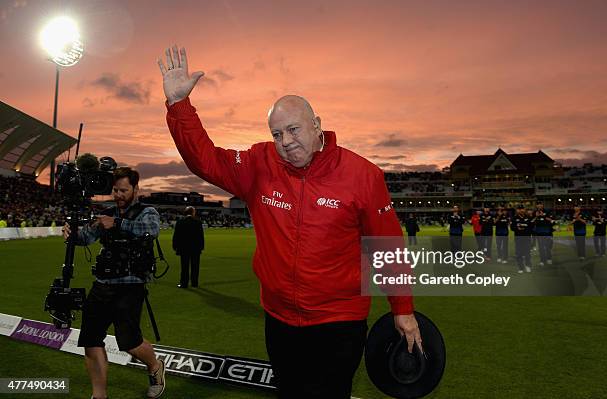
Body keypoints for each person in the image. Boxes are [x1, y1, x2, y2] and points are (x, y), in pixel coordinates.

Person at [158, 45, 421, 398]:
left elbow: (388, 248)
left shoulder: (363, 175)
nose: (286, 142)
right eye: (277, 134)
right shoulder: (259, 164)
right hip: (279, 320)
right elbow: (205, 160)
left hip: (339, 322)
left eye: (294, 129)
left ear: (317, 126)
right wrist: (179, 106)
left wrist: (402, 309)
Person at [62, 167, 165, 399]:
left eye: (123, 190)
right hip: (102, 283)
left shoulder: (146, 212)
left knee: (130, 342)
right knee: (90, 338)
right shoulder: (106, 213)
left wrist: (117, 224)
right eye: (115, 190)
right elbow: (86, 237)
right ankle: (99, 395)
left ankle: (155, 366)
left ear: (136, 189)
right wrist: (72, 233)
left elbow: (151, 231)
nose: (118, 194)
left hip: (130, 285)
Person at [172, 206, 205, 288]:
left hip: (184, 247)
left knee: (184, 266)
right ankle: (194, 283)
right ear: (193, 212)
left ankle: (184, 283)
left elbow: (176, 235)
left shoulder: (180, 221)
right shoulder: (198, 222)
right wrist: (201, 246)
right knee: (195, 266)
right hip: (195, 247)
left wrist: (175, 245)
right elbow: (201, 236)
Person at [511, 204, 532, 273]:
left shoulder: (528, 217)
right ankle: (520, 267)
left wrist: (525, 229)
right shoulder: (514, 218)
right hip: (518, 239)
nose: (521, 210)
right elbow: (512, 228)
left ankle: (528, 266)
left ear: (524, 209)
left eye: (522, 209)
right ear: (517, 210)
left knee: (527, 253)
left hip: (527, 238)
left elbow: (531, 227)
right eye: (519, 209)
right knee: (519, 253)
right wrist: (517, 228)